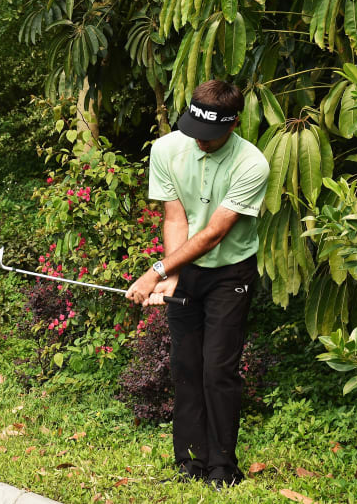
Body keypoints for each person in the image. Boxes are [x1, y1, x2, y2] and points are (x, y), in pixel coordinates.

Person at [126, 79, 270, 489]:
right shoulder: (167, 149)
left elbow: (213, 235)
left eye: (211, 136)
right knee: (186, 364)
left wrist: (154, 271)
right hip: (186, 266)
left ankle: (223, 464)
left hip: (230, 272)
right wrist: (172, 276)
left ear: (233, 123)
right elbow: (176, 219)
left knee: (218, 369)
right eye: (195, 132)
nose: (201, 142)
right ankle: (190, 459)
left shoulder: (252, 163)